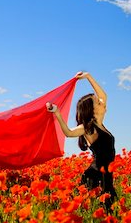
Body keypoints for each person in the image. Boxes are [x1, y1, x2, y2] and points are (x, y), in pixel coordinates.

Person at [46, 71, 117, 211]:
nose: (101, 101)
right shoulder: (88, 128)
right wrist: (57, 113)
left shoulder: (100, 123)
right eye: (97, 101)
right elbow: (68, 133)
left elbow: (104, 96)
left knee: (107, 210)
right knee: (96, 209)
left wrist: (89, 76)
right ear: (92, 109)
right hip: (96, 175)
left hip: (106, 174)